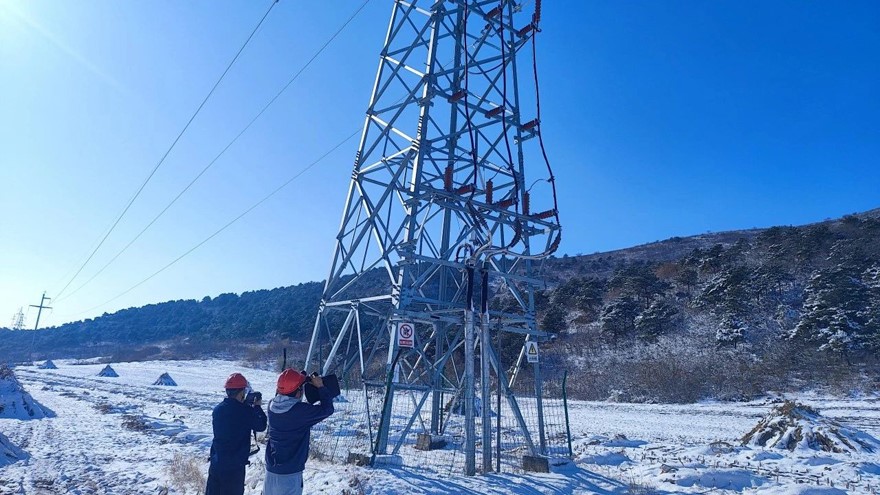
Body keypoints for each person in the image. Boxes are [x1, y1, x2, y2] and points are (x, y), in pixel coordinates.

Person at [263, 370, 335, 495]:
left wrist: (298, 380)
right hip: (290, 474)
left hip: (271, 471)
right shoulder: (300, 412)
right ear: (298, 392)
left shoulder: (271, 406)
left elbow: (289, 401)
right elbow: (327, 409)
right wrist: (320, 387)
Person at [205, 372, 267, 495]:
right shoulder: (245, 412)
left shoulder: (218, 409)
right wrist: (257, 407)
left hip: (217, 463)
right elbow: (261, 425)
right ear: (242, 392)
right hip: (234, 467)